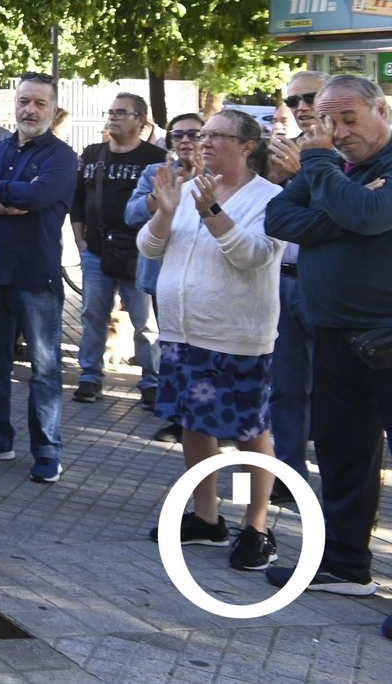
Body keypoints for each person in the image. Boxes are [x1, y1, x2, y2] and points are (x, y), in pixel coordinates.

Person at [263, 73, 392, 596]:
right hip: (335, 335)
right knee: (342, 457)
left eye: (347, 118)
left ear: (381, 110)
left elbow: (370, 215)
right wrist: (348, 209)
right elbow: (277, 216)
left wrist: (326, 179)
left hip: (388, 336)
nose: (336, 132)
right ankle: (344, 564)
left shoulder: (325, 163)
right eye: (325, 121)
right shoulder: (338, 168)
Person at [139, 109, 284, 571]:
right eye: (203, 135)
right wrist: (165, 212)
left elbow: (255, 256)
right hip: (184, 331)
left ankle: (256, 525)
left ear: (247, 146)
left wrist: (212, 213)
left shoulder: (271, 198)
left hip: (235, 335)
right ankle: (207, 517)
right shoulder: (187, 189)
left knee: (245, 433)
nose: (204, 142)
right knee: (193, 424)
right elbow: (150, 246)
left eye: (218, 136)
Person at [0, 73, 79, 483]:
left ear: (53, 109)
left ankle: (47, 451)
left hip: (33, 274)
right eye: (24, 101)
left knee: (44, 369)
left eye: (40, 104)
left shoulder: (62, 157)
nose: (30, 110)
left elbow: (37, 197)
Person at [72, 92, 166, 405]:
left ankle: (152, 383)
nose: (112, 117)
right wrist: (79, 239)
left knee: (145, 322)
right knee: (92, 315)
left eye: (121, 112)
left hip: (138, 253)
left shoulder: (155, 158)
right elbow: (78, 198)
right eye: (110, 112)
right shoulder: (93, 152)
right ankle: (89, 377)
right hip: (95, 250)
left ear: (141, 121)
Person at [262, 70, 328, 492]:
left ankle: (340, 479)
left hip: (328, 284)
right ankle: (288, 475)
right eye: (295, 99)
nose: (301, 107)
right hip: (282, 279)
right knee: (285, 387)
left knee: (335, 392)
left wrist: (300, 176)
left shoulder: (354, 152)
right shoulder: (286, 151)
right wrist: (277, 178)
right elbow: (270, 212)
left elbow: (338, 214)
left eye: (310, 98)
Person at [127, 112, 206, 441]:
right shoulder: (155, 173)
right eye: (178, 135)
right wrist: (163, 193)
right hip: (167, 277)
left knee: (205, 350)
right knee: (174, 347)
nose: (185, 140)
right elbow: (131, 215)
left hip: (208, 278)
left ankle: (209, 418)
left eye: (194, 134)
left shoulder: (223, 175)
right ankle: (179, 419)